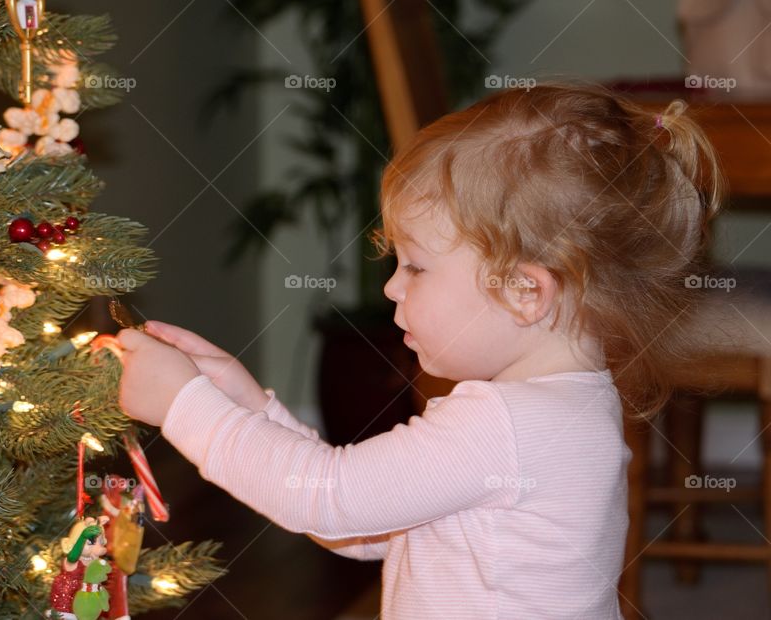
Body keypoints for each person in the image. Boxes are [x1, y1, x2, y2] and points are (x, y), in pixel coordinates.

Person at [115, 83, 724, 619]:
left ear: (524, 290)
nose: (391, 286)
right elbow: (362, 524)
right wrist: (249, 406)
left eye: (416, 267)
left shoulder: (499, 425)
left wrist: (183, 407)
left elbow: (328, 500)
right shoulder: (565, 408)